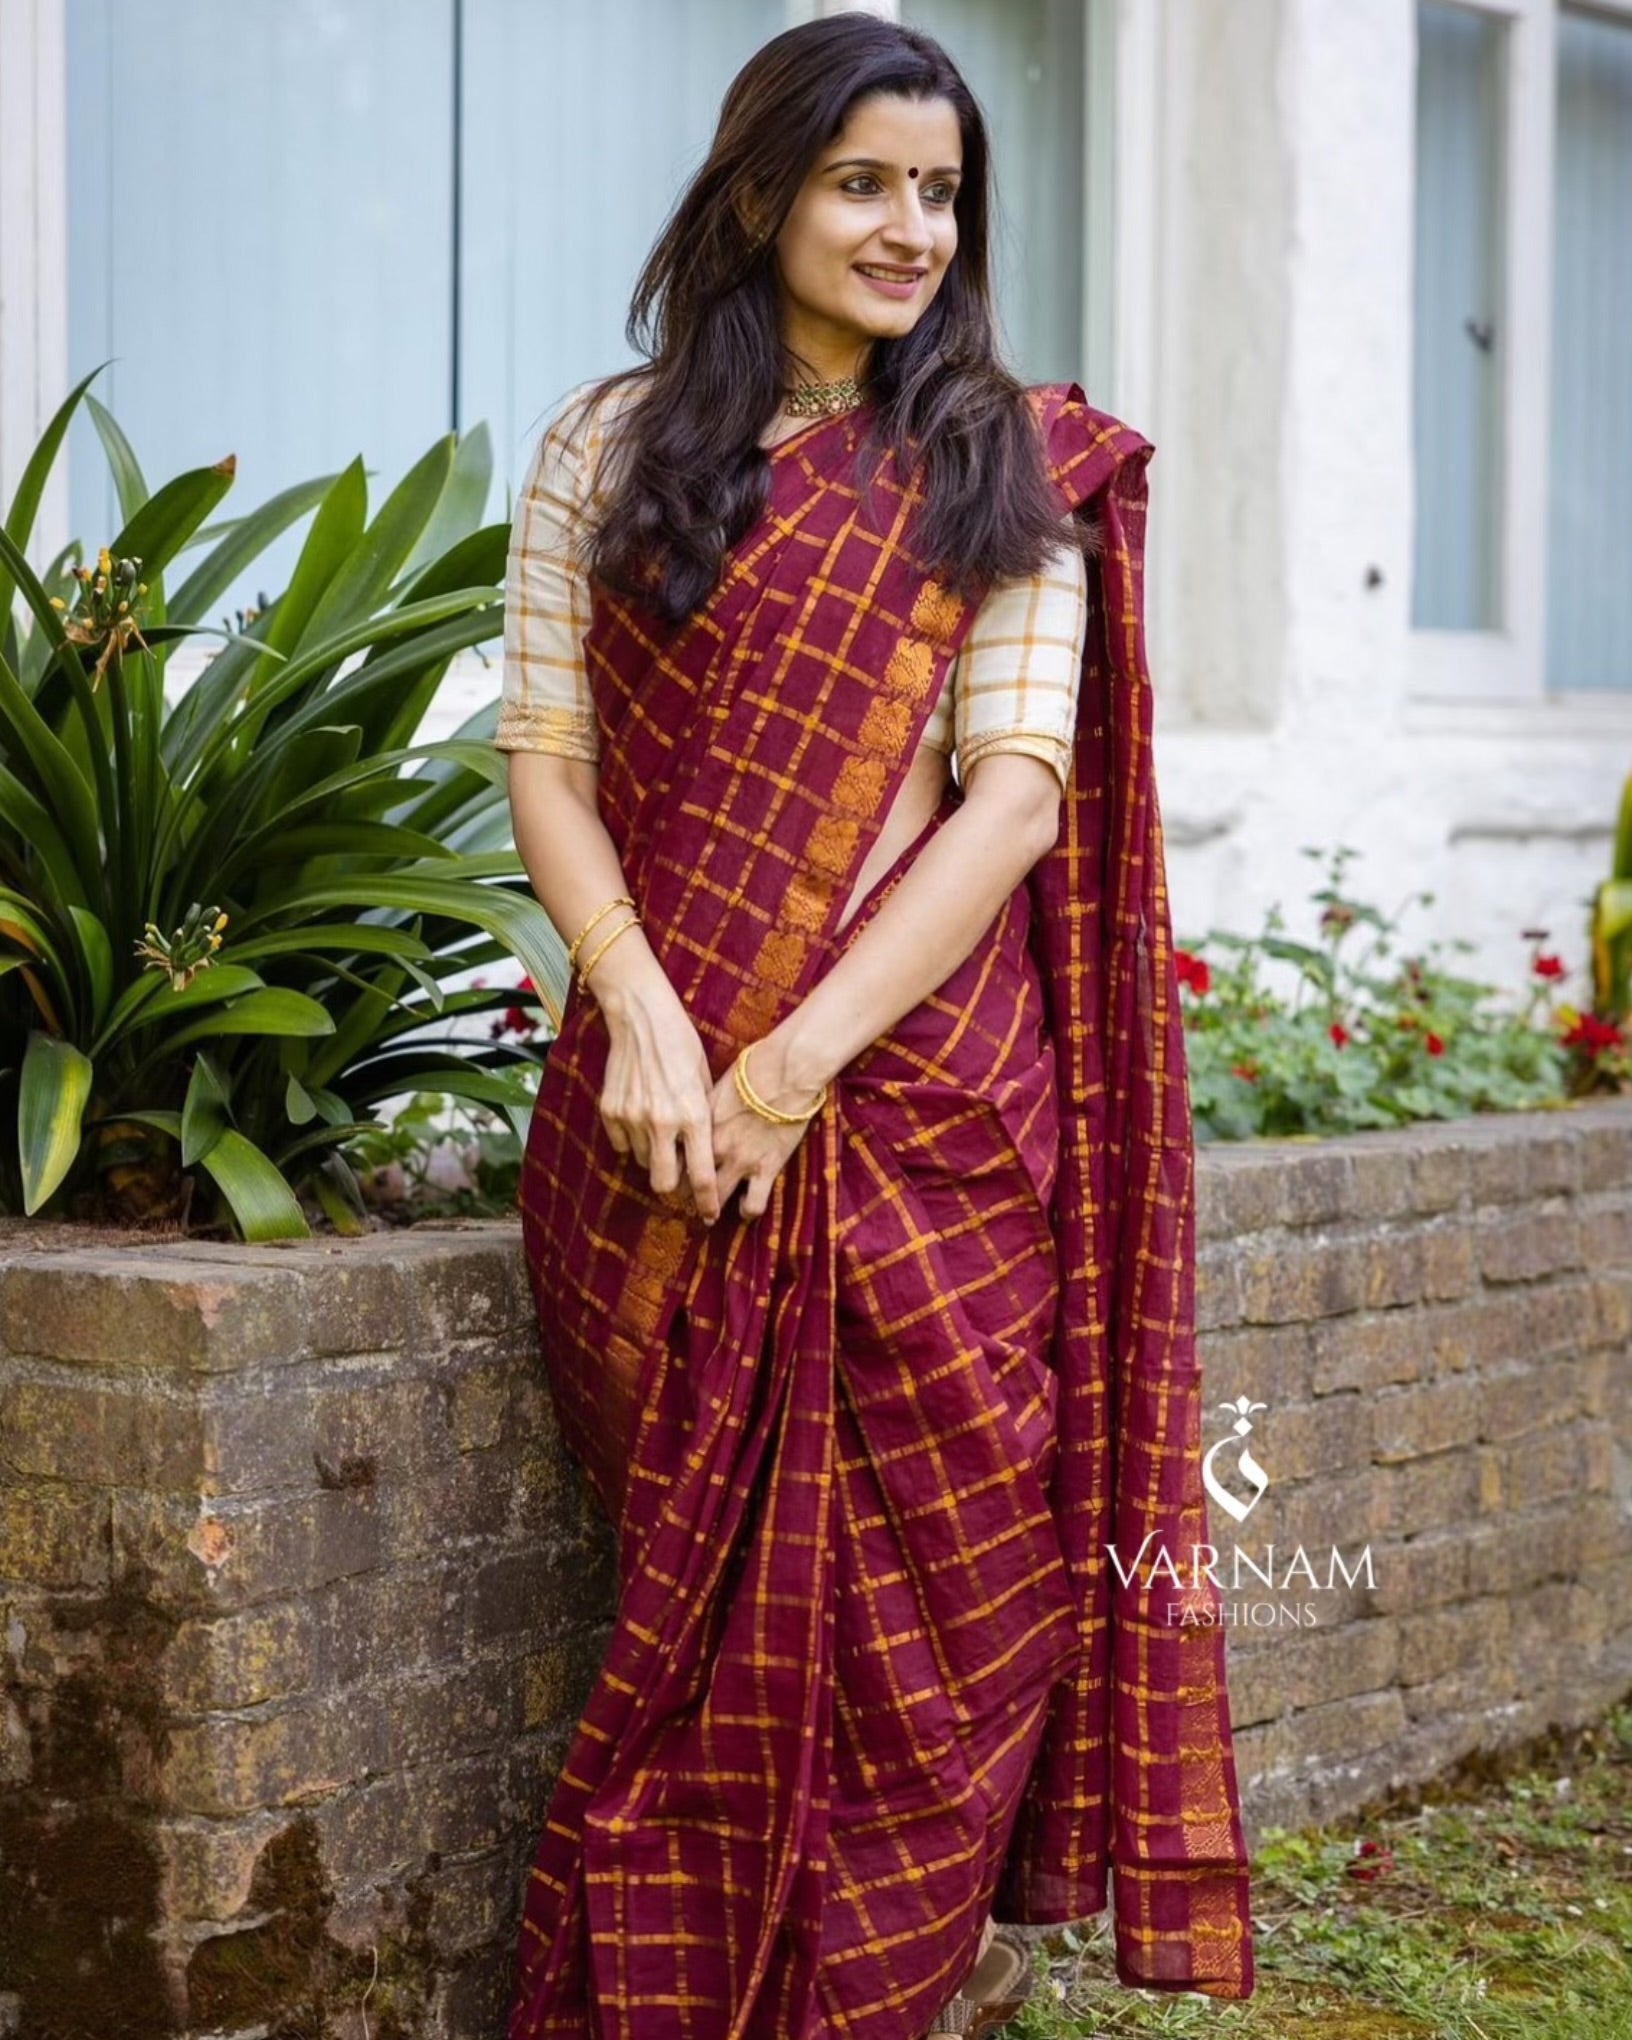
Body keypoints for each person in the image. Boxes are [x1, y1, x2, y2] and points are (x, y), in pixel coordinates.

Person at [496, 15, 1255, 2040]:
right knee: (702, 1617)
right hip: (646, 1114)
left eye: (940, 192)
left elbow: (1009, 802)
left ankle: (890, 1981)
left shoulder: (1005, 459)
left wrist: (784, 1066)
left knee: (940, 1615)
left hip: (920, 1111)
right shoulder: (605, 446)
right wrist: (647, 1018)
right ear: (760, 192)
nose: (912, 228)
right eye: (864, 184)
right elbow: (550, 756)